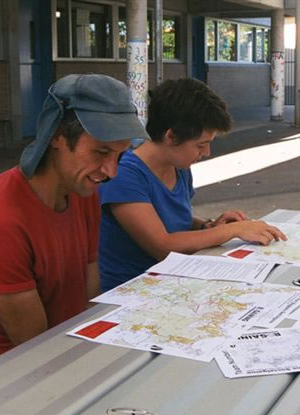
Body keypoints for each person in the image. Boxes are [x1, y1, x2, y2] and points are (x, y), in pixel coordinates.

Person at [0, 74, 149, 372]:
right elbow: (32, 343)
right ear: (56, 136)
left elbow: (87, 296)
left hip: (64, 340)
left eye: (120, 155)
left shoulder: (83, 191)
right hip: (0, 364)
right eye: (101, 152)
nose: (111, 171)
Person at [98, 78, 286, 291]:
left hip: (176, 278)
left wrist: (208, 225)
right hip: (134, 290)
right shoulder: (124, 174)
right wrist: (233, 230)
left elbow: (177, 220)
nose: (206, 153)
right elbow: (162, 245)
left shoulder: (179, 166)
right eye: (201, 145)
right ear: (171, 136)